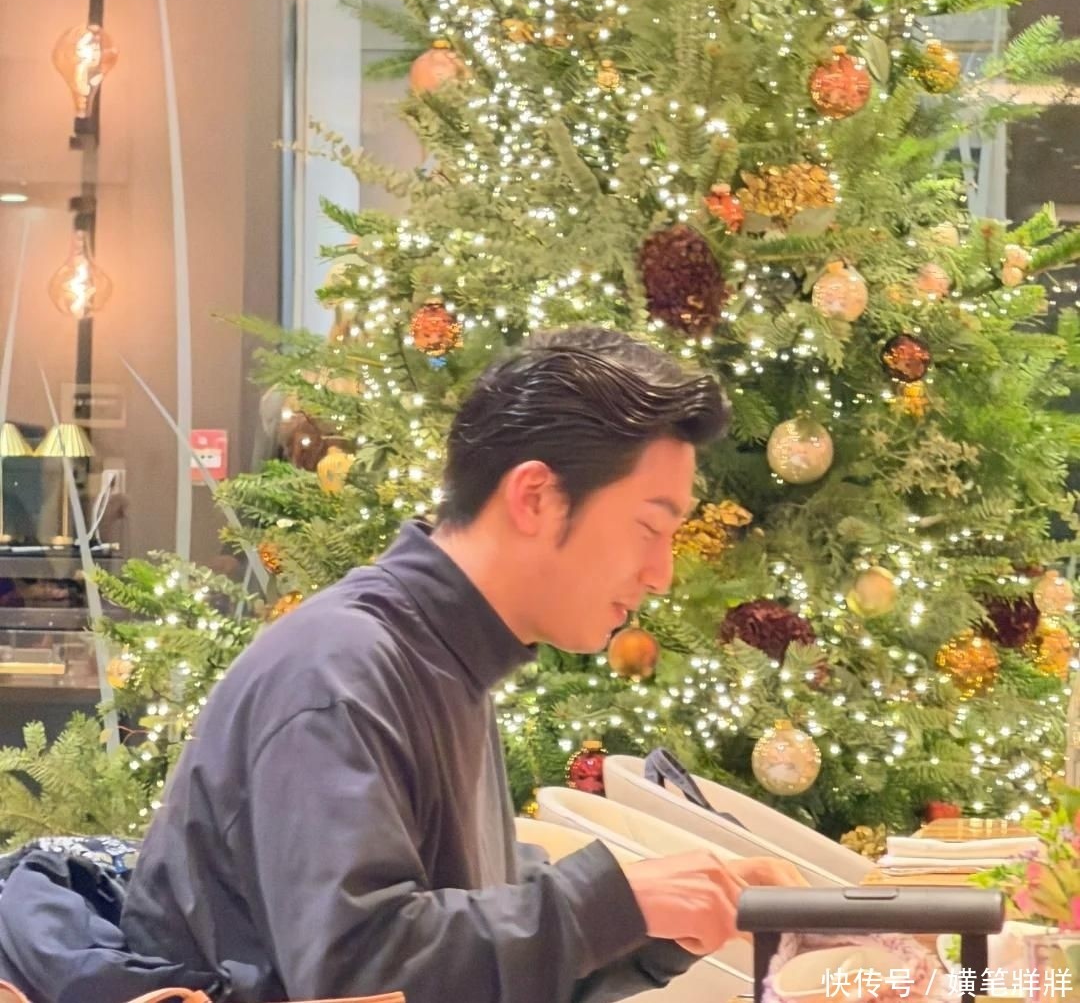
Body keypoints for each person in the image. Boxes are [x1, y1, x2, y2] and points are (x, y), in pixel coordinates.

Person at [116, 326, 803, 1002]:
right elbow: (358, 977)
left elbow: (472, 948)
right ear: (534, 497)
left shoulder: (437, 660)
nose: (661, 574)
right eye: (649, 528)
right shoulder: (337, 673)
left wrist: (657, 923)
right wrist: (614, 906)